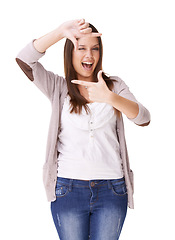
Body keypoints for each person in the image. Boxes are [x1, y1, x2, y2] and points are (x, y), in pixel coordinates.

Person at [16, 19, 150, 240]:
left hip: (112, 189)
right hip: (68, 190)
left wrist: (110, 97)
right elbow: (24, 59)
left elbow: (143, 118)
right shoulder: (58, 87)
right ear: (70, 52)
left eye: (95, 49)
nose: (90, 55)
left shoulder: (115, 86)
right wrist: (60, 32)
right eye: (82, 48)